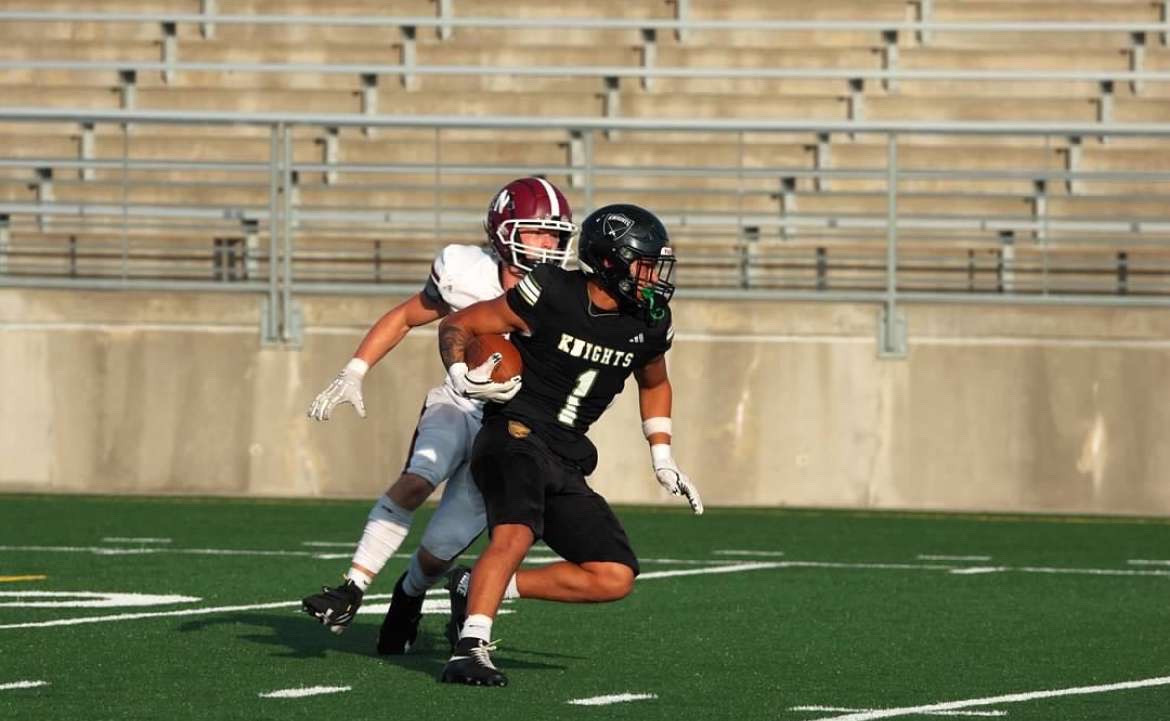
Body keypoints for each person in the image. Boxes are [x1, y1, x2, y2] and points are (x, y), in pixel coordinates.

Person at [300, 177, 576, 654]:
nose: (550, 243)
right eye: (538, 231)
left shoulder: (567, 295)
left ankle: (408, 596)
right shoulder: (466, 273)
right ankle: (352, 586)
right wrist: (354, 371)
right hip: (460, 403)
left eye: (556, 233)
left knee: (438, 552)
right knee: (419, 478)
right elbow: (407, 316)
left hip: (512, 427)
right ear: (504, 230)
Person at [434, 204, 703, 687]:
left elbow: (655, 382)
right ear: (608, 262)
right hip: (513, 433)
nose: (652, 277)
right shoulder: (552, 291)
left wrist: (662, 455)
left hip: (564, 451)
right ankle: (470, 646)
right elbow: (461, 325)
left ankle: (476, 588)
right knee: (514, 534)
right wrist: (460, 374)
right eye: (642, 263)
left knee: (613, 575)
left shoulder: (650, 321)